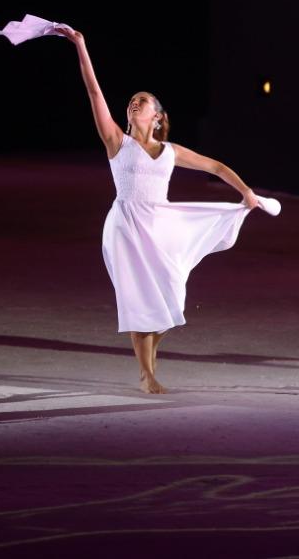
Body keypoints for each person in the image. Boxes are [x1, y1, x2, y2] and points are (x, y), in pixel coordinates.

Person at [56, 26, 278, 394]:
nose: (134, 103)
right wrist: (80, 45)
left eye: (142, 101)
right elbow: (94, 91)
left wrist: (247, 193)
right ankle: (147, 374)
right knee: (139, 299)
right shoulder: (116, 141)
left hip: (160, 227)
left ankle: (150, 365)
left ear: (158, 116)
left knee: (170, 298)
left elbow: (216, 167)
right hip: (125, 226)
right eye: (132, 101)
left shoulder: (171, 152)